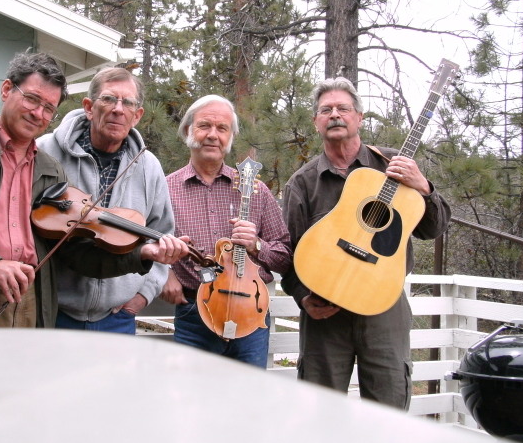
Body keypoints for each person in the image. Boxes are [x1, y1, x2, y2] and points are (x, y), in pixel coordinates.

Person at [0, 52, 188, 329]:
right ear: (6, 90)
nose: (38, 113)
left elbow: (73, 252)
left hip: (31, 304)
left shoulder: (50, 169)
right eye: (32, 99)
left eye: (48, 107)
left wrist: (142, 254)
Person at [281, 76, 451, 409]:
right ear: (316, 122)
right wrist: (303, 297)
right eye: (326, 110)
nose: (334, 115)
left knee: (389, 405)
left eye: (343, 108)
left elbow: (433, 228)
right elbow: (287, 251)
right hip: (325, 308)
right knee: (320, 408)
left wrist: (423, 186)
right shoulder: (303, 183)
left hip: (383, 303)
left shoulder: (394, 165)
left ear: (359, 117)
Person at [159, 95, 292, 367]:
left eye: (222, 128)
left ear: (230, 137)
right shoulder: (164, 189)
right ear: (188, 130)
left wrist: (256, 245)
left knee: (248, 393)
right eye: (204, 125)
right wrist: (163, 273)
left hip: (251, 315)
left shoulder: (255, 190)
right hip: (194, 314)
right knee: (192, 393)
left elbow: (284, 257)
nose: (213, 135)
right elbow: (145, 243)